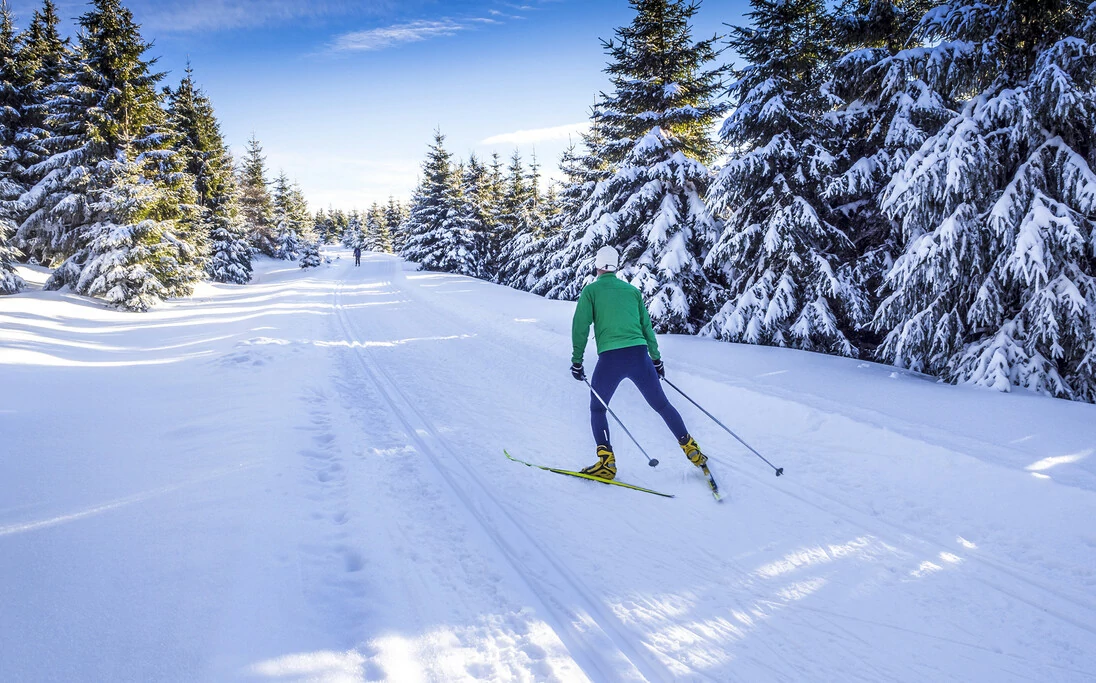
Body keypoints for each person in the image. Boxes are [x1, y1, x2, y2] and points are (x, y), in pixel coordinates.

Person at [570, 245, 707, 479]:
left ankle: (606, 463)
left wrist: (577, 360)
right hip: (639, 355)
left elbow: (580, 327)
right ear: (615, 265)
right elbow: (647, 328)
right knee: (662, 405)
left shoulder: (591, 292)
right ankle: (691, 449)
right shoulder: (632, 291)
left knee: (597, 408)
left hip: (611, 358)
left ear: (597, 265)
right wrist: (656, 360)